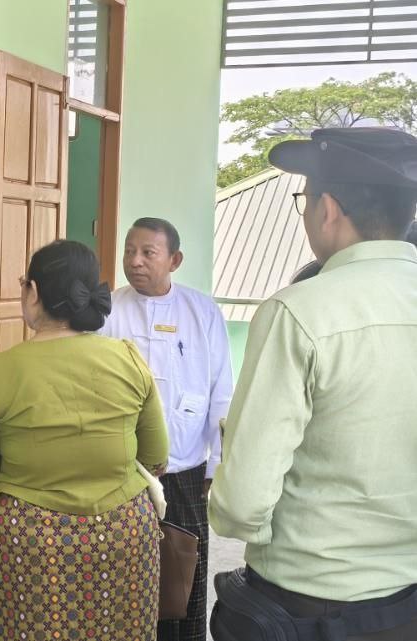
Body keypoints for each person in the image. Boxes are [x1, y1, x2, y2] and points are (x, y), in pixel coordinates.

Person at [210, 127, 417, 639]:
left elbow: (241, 504)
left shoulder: (298, 311)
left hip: (307, 604)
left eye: (302, 200)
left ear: (327, 209)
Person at [0, 239, 169, 641]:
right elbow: (156, 456)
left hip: (31, 540)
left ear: (34, 291)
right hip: (123, 534)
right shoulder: (128, 358)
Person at [100, 217, 233, 641]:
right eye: (129, 251)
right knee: (123, 571)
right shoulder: (109, 310)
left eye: (147, 253)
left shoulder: (201, 311)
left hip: (186, 467)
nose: (135, 261)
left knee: (184, 571)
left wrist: (217, 463)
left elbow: (221, 392)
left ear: (174, 260)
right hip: (125, 472)